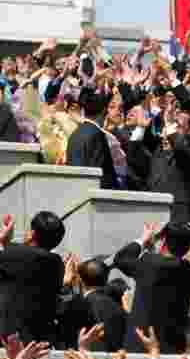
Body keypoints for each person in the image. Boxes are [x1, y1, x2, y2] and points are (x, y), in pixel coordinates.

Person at [114, 221, 190, 353]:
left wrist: (143, 240)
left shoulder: (149, 263)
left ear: (163, 240)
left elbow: (120, 259)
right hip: (172, 347)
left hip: (141, 345)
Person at [0, 211, 65, 343]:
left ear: (33, 233)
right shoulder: (56, 262)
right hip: (38, 338)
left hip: (10, 339)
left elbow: (13, 256)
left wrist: (3, 239)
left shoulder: (14, 254)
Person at [64, 88, 116, 189]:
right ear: (104, 111)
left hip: (75, 188)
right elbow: (102, 172)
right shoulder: (97, 135)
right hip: (91, 191)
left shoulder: (75, 133)